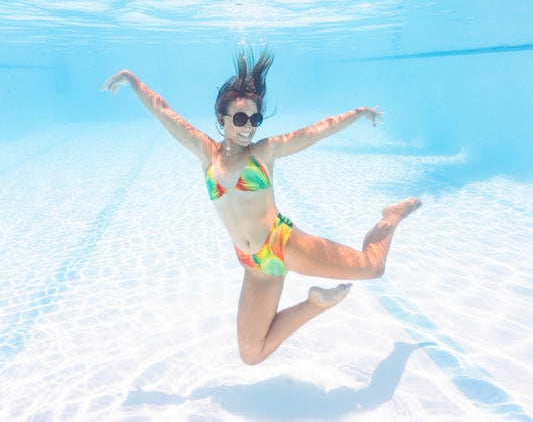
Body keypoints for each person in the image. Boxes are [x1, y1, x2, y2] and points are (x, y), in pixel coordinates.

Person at [101, 49, 421, 365]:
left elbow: (316, 132)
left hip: (283, 244)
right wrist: (131, 79)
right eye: (240, 118)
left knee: (373, 267)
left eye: (255, 119)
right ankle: (315, 305)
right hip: (253, 264)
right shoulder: (205, 152)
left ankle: (391, 217)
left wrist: (359, 113)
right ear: (221, 118)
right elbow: (164, 113)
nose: (249, 127)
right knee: (252, 353)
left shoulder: (264, 152)